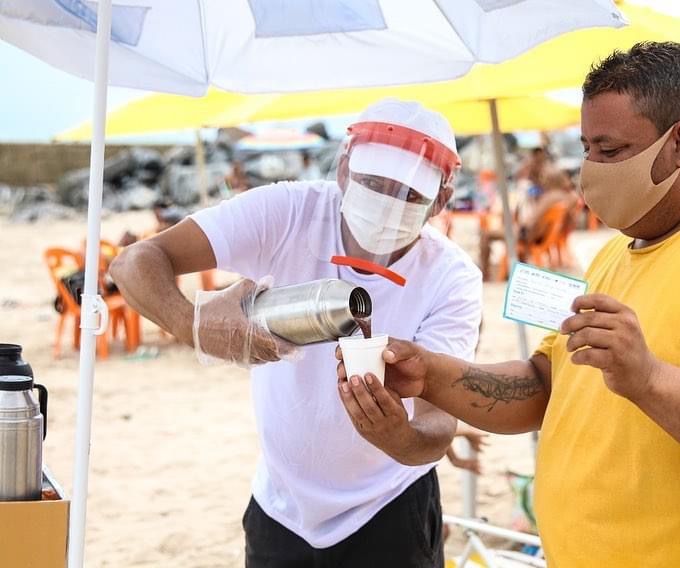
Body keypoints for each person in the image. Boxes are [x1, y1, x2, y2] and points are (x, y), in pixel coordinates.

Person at [339, 43, 680, 567]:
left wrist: (649, 379)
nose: (590, 169)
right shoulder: (618, 252)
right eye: (585, 148)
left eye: (610, 150)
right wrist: (431, 374)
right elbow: (548, 384)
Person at [111, 98, 483, 567]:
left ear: (440, 202)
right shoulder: (288, 213)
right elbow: (135, 262)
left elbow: (437, 423)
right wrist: (196, 327)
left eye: (408, 194)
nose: (387, 204)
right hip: (279, 505)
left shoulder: (451, 278)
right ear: (345, 169)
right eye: (373, 183)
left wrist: (398, 438)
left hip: (388, 506)